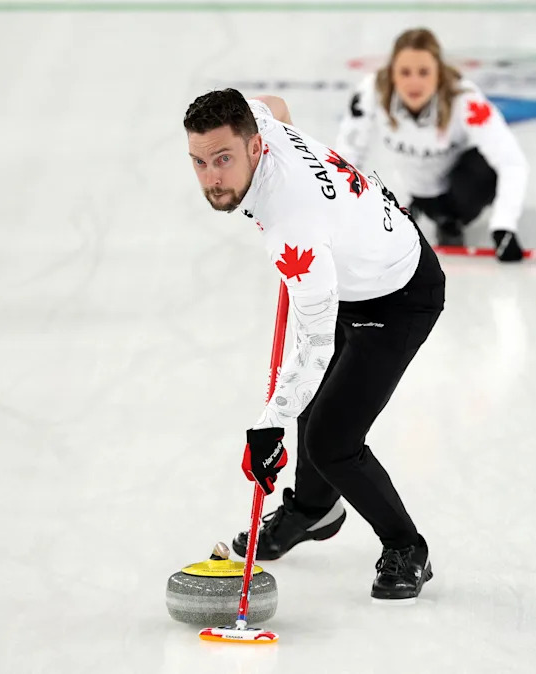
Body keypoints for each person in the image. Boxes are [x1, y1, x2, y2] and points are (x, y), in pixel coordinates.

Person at [183, 88, 445, 601]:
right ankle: (313, 510)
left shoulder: (291, 226)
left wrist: (268, 426)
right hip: (352, 265)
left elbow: (315, 343)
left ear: (255, 148)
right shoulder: (257, 123)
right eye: (199, 162)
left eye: (223, 159)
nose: (212, 177)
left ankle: (407, 547)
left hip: (398, 296)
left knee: (332, 439)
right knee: (312, 402)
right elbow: (274, 103)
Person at [336, 27, 529, 261]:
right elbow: (347, 158)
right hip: (410, 185)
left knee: (486, 166)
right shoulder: (371, 92)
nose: (414, 82)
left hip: (456, 188)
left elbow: (512, 162)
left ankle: (449, 218)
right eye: (405, 72)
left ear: (438, 72)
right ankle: (419, 204)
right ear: (392, 73)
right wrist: (341, 219)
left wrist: (503, 227)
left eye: (424, 72)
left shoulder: (465, 100)